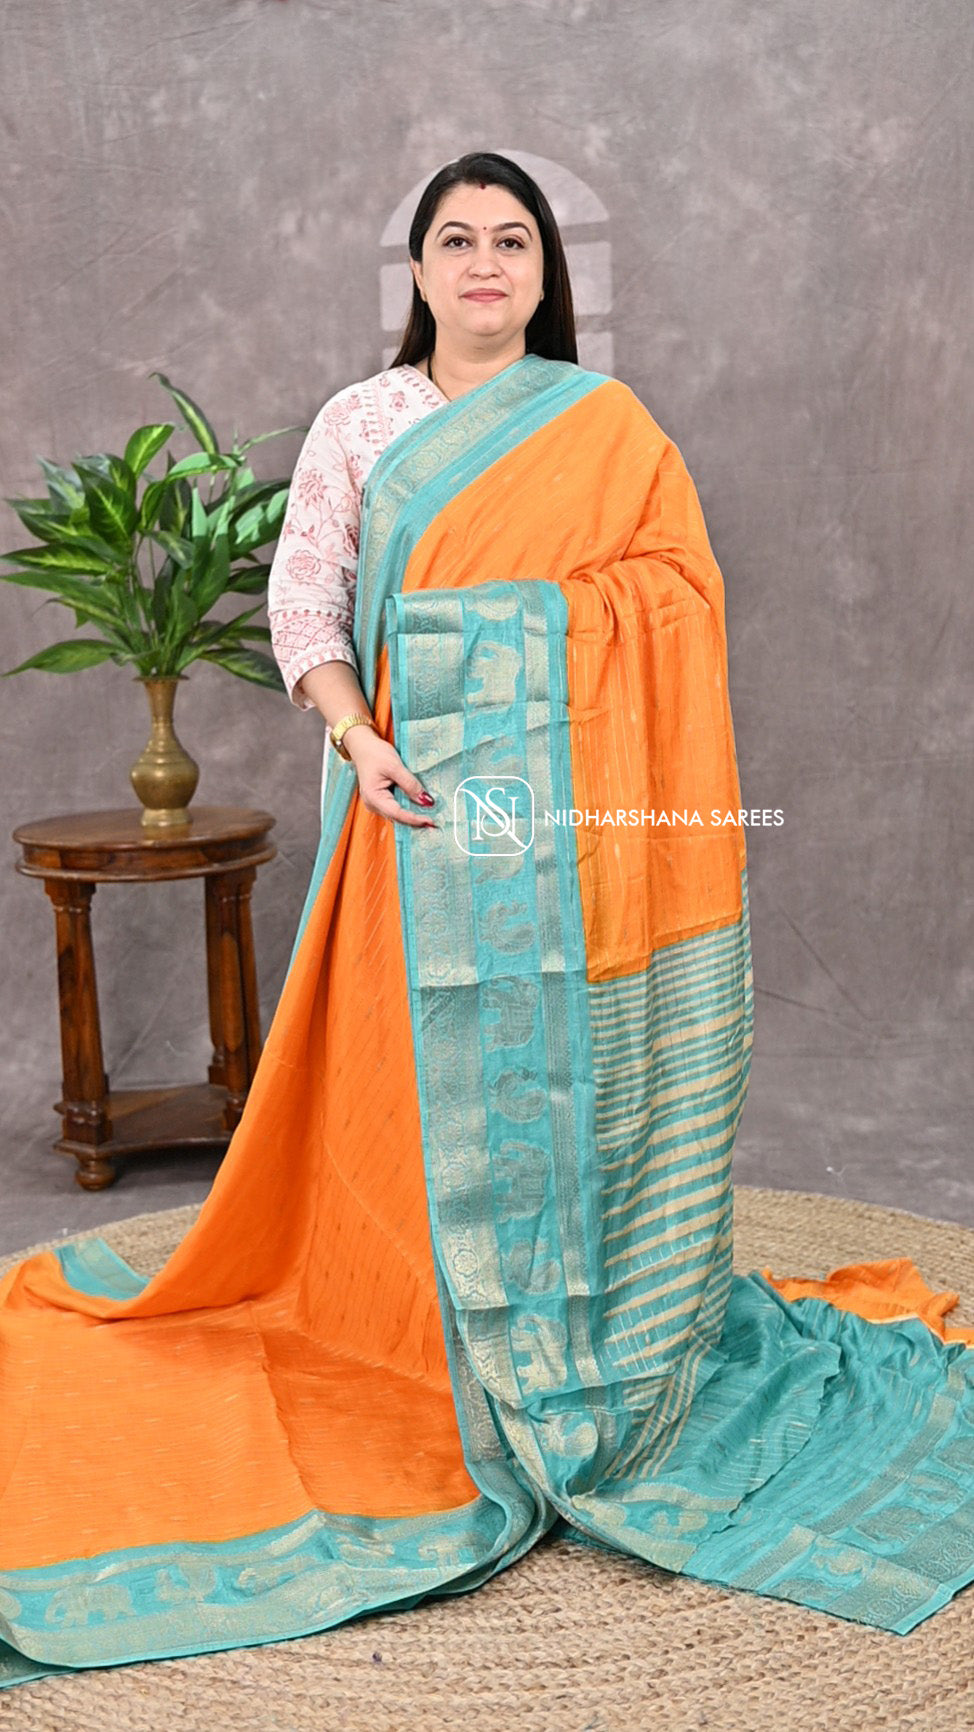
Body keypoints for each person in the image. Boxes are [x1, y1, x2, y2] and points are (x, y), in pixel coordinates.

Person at [1, 153, 973, 1698]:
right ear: (417, 268)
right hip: (411, 808)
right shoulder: (362, 423)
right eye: (455, 239)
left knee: (560, 1065)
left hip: (571, 824)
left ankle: (571, 1318)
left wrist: (529, 635)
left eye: (510, 240)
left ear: (541, 271)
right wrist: (358, 734)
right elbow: (307, 604)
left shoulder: (604, 425)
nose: (483, 263)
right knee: (412, 1083)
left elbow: (677, 591)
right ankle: (419, 1330)